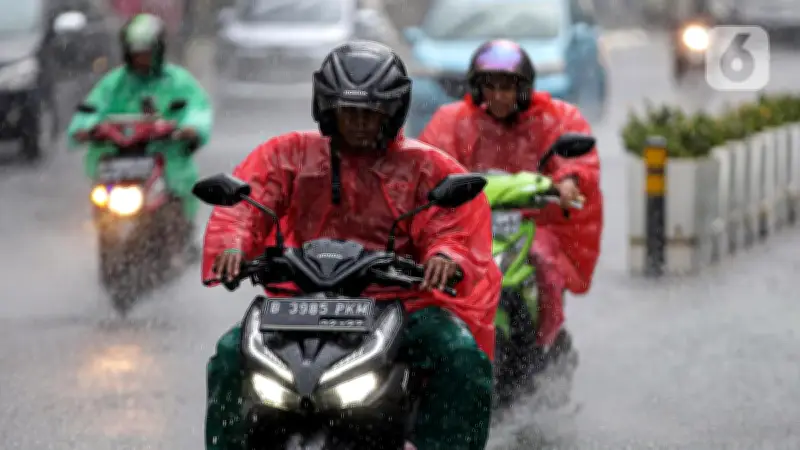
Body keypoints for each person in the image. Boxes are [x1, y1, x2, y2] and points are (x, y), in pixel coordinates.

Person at [201, 41, 500, 450]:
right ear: (327, 109)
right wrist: (233, 245)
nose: (359, 123)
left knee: (461, 355)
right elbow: (250, 202)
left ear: (392, 112)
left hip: (401, 305)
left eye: (370, 113)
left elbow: (449, 226)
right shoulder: (289, 155)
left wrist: (444, 257)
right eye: (349, 112)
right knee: (229, 354)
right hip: (300, 305)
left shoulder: (426, 167)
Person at [418, 39, 603, 360]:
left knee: (546, 264)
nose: (499, 96)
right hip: (471, 225)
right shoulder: (453, 121)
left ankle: (547, 339)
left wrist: (569, 181)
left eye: (508, 87)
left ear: (524, 88)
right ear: (478, 89)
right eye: (491, 87)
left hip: (533, 224)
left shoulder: (552, 117)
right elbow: (430, 164)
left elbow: (576, 159)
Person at [67, 13, 213, 256]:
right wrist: (87, 127)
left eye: (146, 52)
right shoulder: (113, 83)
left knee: (183, 184)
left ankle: (183, 236)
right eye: (136, 53)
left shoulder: (178, 82)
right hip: (117, 159)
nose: (141, 59)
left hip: (165, 157)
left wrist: (189, 128)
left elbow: (197, 108)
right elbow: (91, 108)